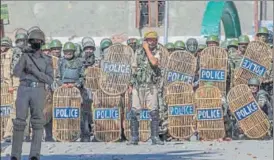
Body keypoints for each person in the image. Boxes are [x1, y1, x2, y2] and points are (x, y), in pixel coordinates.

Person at [10, 28, 54, 160]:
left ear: (42, 42)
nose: (35, 42)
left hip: (38, 90)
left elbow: (50, 79)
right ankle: (15, 155)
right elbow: (16, 73)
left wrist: (34, 72)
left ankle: (35, 154)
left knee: (37, 122)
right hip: (23, 89)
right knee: (19, 123)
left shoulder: (47, 59)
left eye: (38, 41)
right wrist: (21, 58)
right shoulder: (25, 56)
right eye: (33, 41)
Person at [127, 31, 164, 145]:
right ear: (145, 40)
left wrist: (147, 49)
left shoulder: (158, 51)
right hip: (138, 85)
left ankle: (155, 137)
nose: (151, 42)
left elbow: (154, 62)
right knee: (134, 111)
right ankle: (134, 137)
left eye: (153, 40)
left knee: (154, 111)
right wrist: (130, 84)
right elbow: (133, 68)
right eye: (149, 40)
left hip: (150, 85)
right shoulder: (138, 52)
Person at [55, 42, 91, 142]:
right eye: (66, 52)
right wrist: (62, 84)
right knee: (64, 112)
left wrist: (75, 85)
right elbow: (57, 76)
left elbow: (83, 77)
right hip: (64, 89)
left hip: (77, 89)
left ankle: (85, 134)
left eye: (70, 52)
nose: (68, 53)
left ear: (74, 52)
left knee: (81, 112)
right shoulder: (61, 62)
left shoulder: (79, 62)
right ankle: (63, 134)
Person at [1, 37, 14, 141]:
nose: (3, 48)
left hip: (9, 87)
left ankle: (8, 133)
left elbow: (8, 73)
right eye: (2, 45)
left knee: (11, 110)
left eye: (5, 45)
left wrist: (10, 85)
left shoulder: (11, 55)